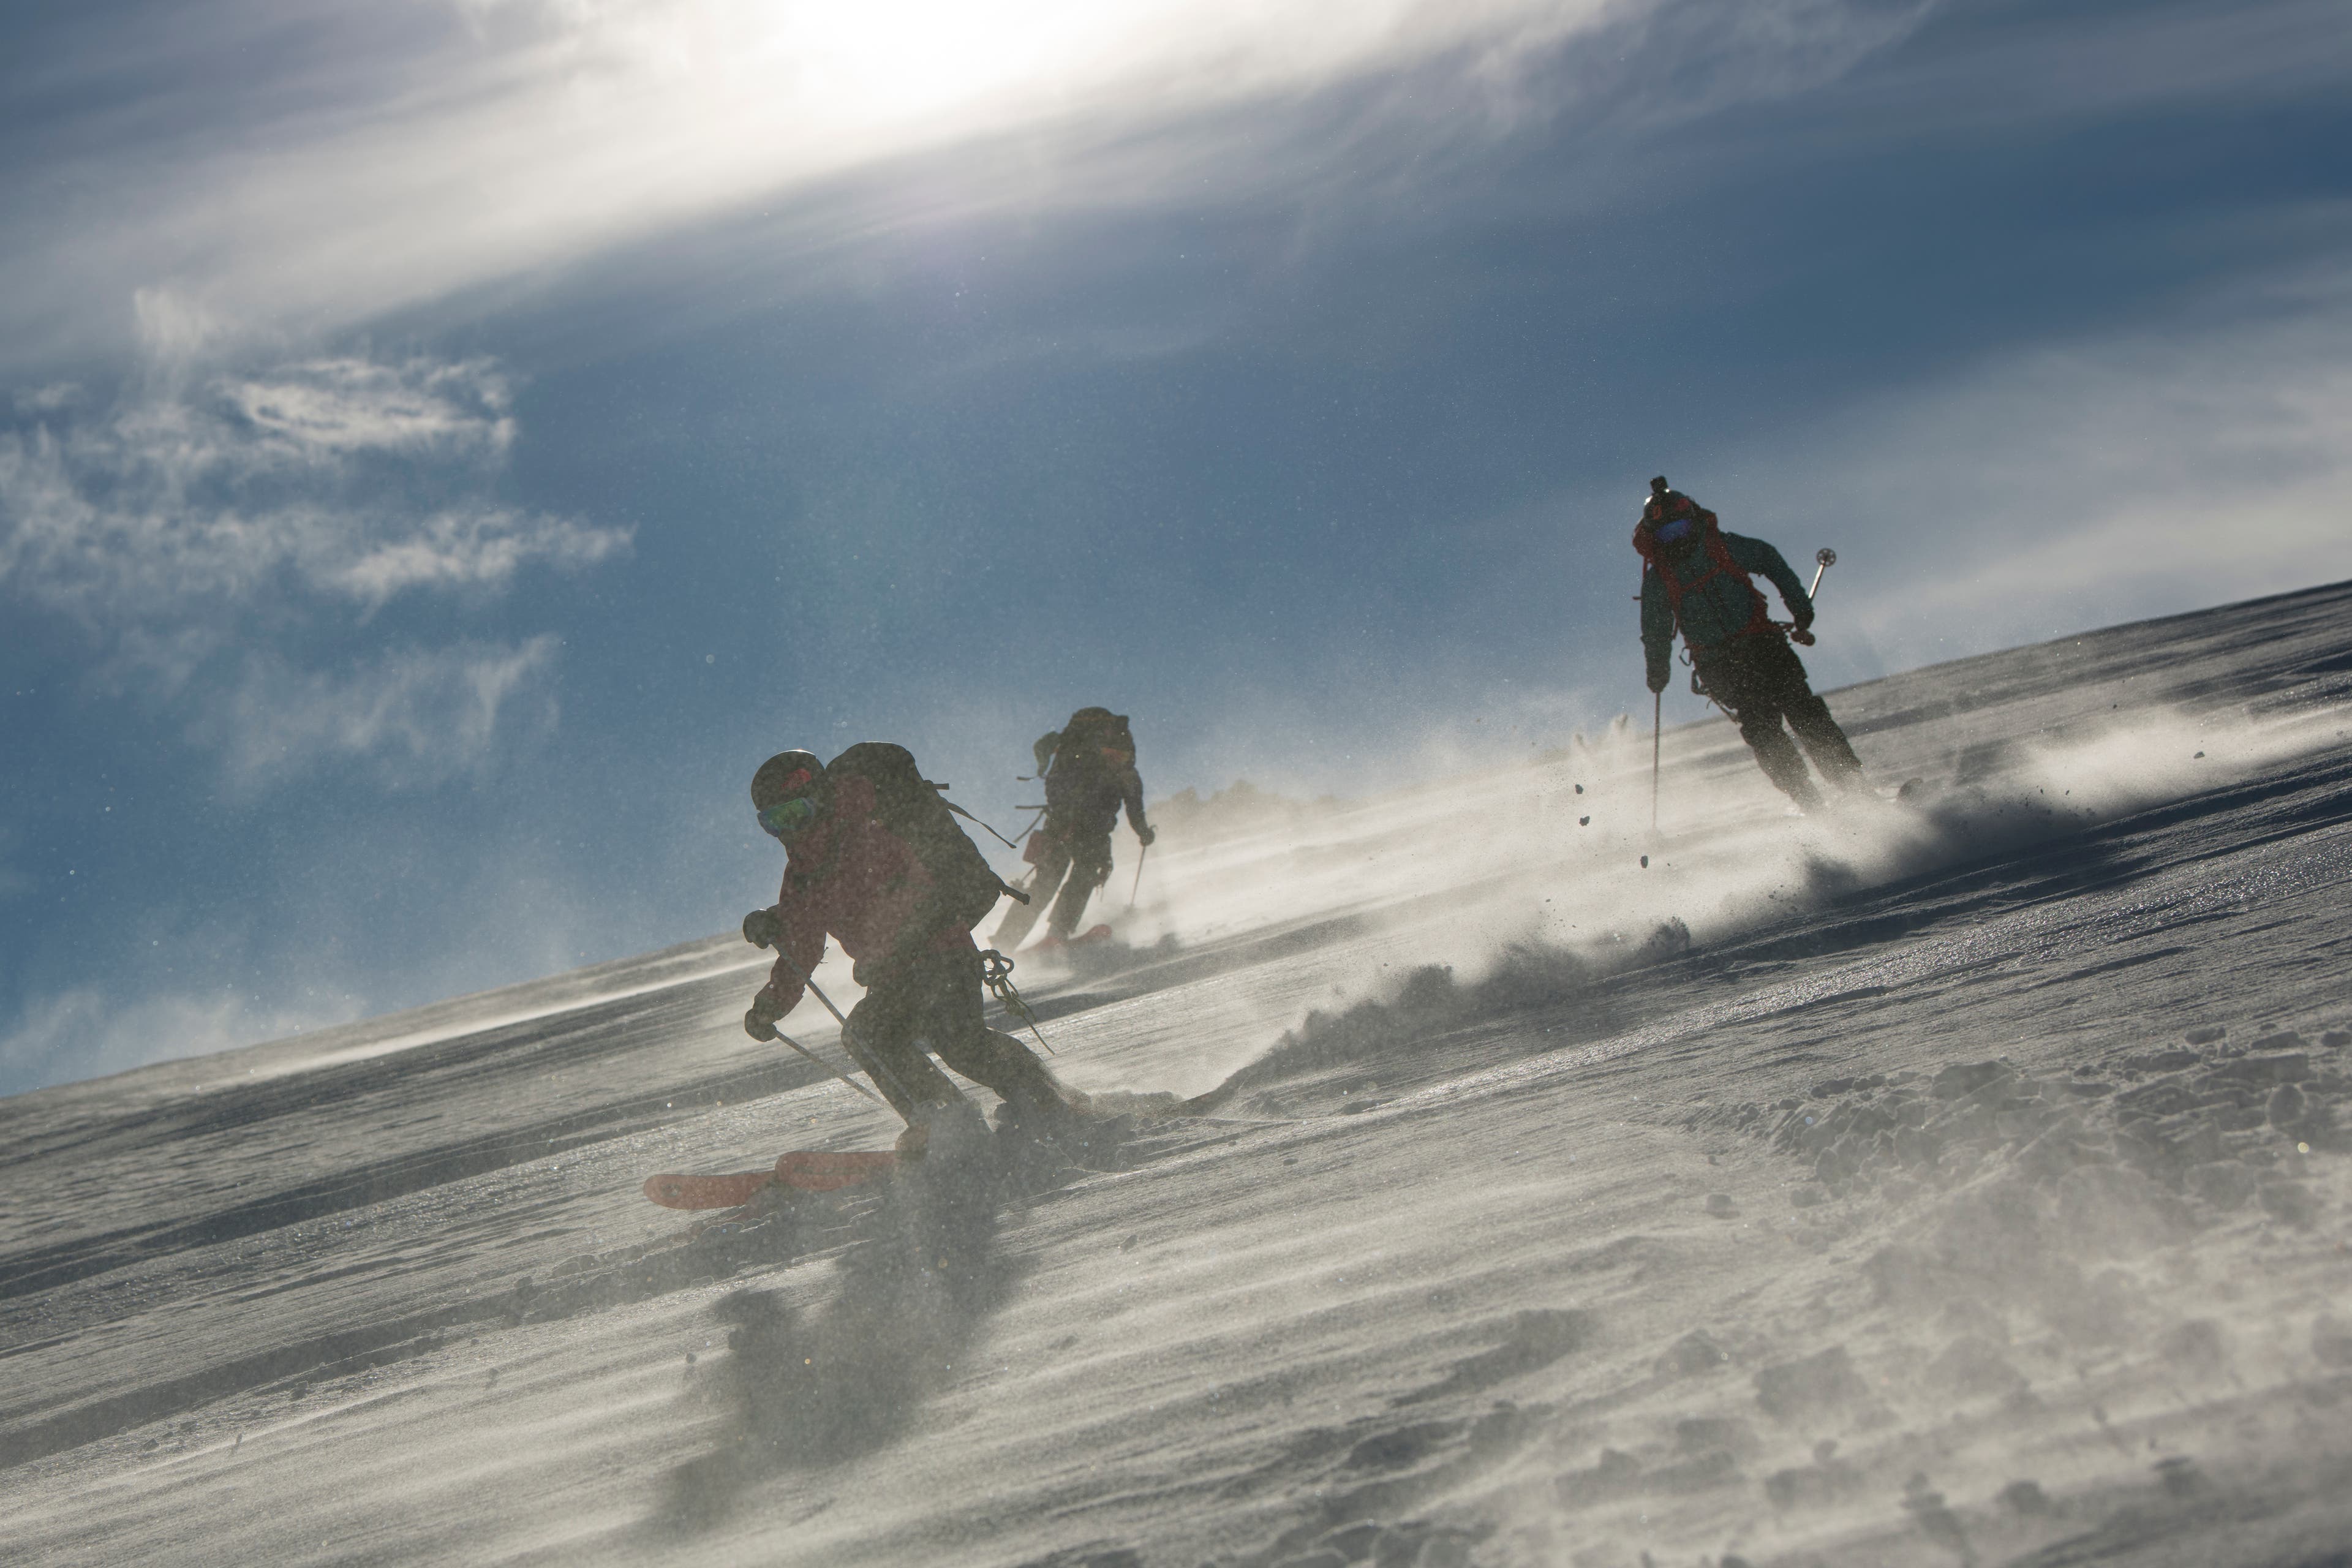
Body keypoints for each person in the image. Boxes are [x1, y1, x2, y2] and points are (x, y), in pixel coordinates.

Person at [739, 745, 1074, 1142]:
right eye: (776, 822)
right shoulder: (800, 875)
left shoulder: (866, 826)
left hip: (939, 953)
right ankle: (948, 1121)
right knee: (867, 1034)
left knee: (959, 1041)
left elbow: (868, 887)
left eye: (798, 813)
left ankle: (1044, 1099)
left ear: (822, 798)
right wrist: (770, 1005)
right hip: (892, 975)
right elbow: (802, 946)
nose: (792, 829)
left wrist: (783, 916)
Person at [1634, 476, 1864, 810]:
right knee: (1762, 727)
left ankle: (1852, 785)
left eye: (1681, 528)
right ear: (1655, 539)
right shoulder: (1661, 581)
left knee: (1801, 708)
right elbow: (1654, 630)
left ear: (1694, 521)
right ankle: (1808, 799)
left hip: (1761, 644)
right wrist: (1658, 670)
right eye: (1668, 534)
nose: (1677, 539)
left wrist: (1799, 605)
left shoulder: (1721, 548)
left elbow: (1768, 558)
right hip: (1719, 662)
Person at [990, 708, 1154, 952]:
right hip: (1078, 829)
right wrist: (1142, 831)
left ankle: (1021, 938)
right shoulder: (1101, 768)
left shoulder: (1102, 769)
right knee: (1068, 879)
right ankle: (1044, 935)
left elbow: (1133, 808)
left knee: (1056, 881)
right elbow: (1133, 808)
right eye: (1110, 755)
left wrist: (1142, 831)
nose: (1114, 761)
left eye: (1118, 756)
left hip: (1068, 827)